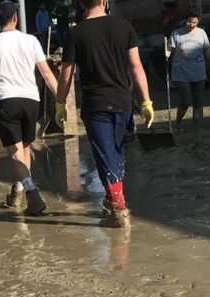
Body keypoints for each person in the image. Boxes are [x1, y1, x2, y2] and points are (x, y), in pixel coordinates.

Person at [54, 0, 154, 228]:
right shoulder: (124, 27)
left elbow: (66, 76)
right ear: (104, 1)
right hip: (122, 102)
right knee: (116, 154)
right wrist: (146, 101)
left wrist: (59, 105)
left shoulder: (76, 33)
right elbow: (136, 67)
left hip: (95, 104)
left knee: (105, 155)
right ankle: (112, 202)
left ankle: (118, 208)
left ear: (80, 3)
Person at [0, 1, 59, 215]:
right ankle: (17, 192)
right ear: (15, 18)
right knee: (24, 150)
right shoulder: (31, 41)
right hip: (31, 101)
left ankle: (32, 193)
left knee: (14, 154)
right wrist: (60, 99)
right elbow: (47, 73)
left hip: (6, 101)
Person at [167, 10, 210, 136]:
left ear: (198, 21)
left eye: (195, 22)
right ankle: (178, 123)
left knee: (198, 101)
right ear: (185, 21)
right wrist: (166, 54)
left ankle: (198, 129)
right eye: (189, 22)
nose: (192, 25)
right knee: (185, 101)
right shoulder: (176, 34)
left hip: (198, 73)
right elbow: (169, 50)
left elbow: (207, 50)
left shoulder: (201, 33)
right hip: (181, 74)